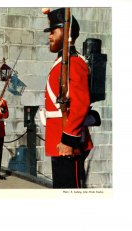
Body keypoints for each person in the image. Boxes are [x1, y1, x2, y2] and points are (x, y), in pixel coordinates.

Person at [42, 8, 93, 188]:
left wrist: (68, 140)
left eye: (54, 31)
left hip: (68, 143)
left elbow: (81, 103)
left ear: (66, 32)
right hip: (59, 141)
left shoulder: (75, 62)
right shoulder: (62, 63)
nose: (50, 36)